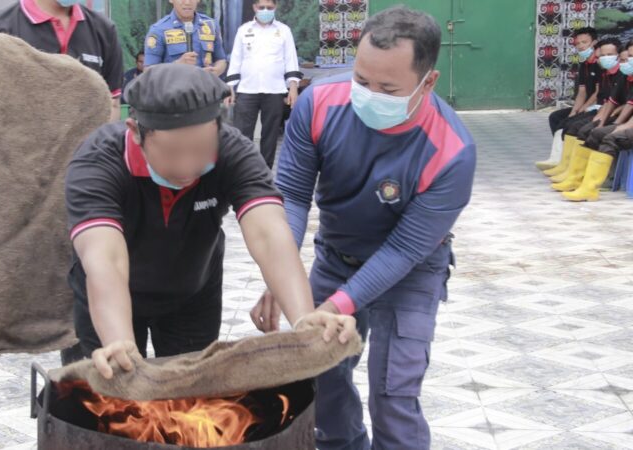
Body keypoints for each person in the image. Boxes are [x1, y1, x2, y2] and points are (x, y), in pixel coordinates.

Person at [252, 6, 476, 449]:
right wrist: (282, 271)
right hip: (337, 258)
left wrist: (337, 306)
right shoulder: (318, 105)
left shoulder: (451, 152)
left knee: (394, 393)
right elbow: (293, 195)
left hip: (409, 274)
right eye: (361, 80)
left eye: (388, 88)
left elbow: (404, 251)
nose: (369, 94)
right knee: (322, 379)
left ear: (427, 82)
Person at [64, 63, 357, 376]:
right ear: (135, 131)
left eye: (202, 149)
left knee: (190, 404)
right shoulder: (98, 161)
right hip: (106, 296)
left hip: (191, 294)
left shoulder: (234, 151)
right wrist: (118, 341)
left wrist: (303, 318)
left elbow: (269, 234)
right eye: (174, 152)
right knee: (109, 399)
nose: (188, 166)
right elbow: (106, 259)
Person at [0, 1, 125, 448]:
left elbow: (110, 111)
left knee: (80, 324)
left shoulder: (101, 32)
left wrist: (98, 182)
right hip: (12, 210)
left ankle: (78, 438)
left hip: (79, 204)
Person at [226, 0, 302, 169]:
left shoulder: (283, 31)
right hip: (247, 90)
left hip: (275, 90)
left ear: (275, 7)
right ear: (254, 8)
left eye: (270, 7)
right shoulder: (244, 30)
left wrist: (293, 88)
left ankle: (265, 173)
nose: (265, 10)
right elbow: (236, 60)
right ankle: (242, 172)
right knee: (242, 135)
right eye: (261, 7)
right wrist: (230, 87)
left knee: (270, 135)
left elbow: (291, 60)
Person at [549, 38, 624, 191]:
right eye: (602, 55)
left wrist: (610, 119)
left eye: (610, 54)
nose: (604, 58)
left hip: (620, 118)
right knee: (574, 126)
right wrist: (600, 116)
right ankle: (573, 173)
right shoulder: (609, 74)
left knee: (597, 133)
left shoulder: (621, 74)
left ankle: (594, 182)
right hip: (607, 112)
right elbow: (610, 101)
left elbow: (622, 105)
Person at [562, 41, 633, 201]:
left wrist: (618, 127)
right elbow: (622, 103)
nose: (628, 60)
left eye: (630, 57)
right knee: (595, 132)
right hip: (627, 122)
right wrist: (613, 124)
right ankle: (578, 179)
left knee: (611, 138)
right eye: (629, 56)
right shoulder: (624, 76)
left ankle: (595, 185)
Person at [536, 27, 599, 171]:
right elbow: (582, 92)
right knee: (556, 117)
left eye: (585, 42)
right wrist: (575, 110)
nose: (581, 46)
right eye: (578, 43)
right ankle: (561, 156)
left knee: (568, 124)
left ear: (594, 42)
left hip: (596, 106)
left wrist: (583, 109)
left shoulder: (598, 63)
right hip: (586, 106)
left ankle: (566, 162)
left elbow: (598, 92)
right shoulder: (584, 65)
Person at [143, 0, 227, 78]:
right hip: (174, 91)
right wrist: (177, 65)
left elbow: (221, 59)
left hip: (205, 89)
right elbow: (148, 73)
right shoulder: (158, 30)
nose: (187, 2)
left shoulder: (210, 25)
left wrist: (215, 71)